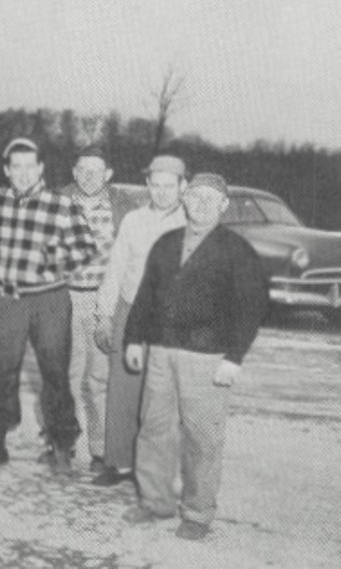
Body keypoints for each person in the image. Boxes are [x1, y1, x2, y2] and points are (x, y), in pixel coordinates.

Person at [121, 173, 268, 540]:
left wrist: (233, 358)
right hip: (160, 350)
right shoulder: (166, 243)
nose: (201, 204)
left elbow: (251, 309)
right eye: (196, 196)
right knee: (154, 430)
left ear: (223, 206)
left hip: (207, 355)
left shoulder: (238, 250)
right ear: (184, 199)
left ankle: (198, 514)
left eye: (211, 199)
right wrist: (134, 339)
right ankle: (154, 501)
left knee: (203, 437)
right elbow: (145, 295)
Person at [0, 138, 97, 476]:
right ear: (7, 170)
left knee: (55, 375)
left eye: (30, 166)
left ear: (40, 169)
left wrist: (46, 261)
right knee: (1, 374)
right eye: (16, 167)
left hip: (50, 300)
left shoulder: (61, 204)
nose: (23, 173)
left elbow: (84, 249)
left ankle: (61, 447)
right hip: (7, 300)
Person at [91, 155, 188, 486]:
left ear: (182, 186)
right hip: (129, 310)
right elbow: (116, 269)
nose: (161, 192)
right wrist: (104, 315)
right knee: (122, 389)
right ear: (147, 185)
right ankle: (118, 463)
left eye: (169, 186)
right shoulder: (133, 220)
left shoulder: (191, 224)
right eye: (155, 185)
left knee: (163, 393)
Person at [51, 145, 134, 471]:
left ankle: (101, 451)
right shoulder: (55, 201)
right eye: (83, 170)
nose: (89, 176)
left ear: (109, 175)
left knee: (100, 380)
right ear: (74, 172)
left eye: (96, 171)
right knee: (64, 378)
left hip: (105, 302)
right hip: (65, 298)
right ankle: (62, 446)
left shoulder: (124, 207)